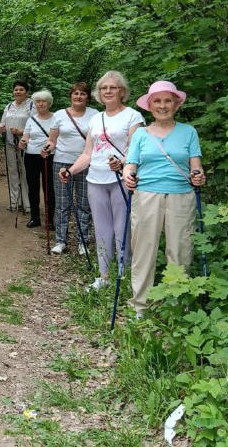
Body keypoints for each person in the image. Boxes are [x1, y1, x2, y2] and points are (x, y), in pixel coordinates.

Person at [123, 80, 205, 318]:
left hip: (182, 195)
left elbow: (196, 166)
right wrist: (128, 174)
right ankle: (141, 305)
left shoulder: (189, 132)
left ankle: (178, 304)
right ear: (149, 105)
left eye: (167, 100)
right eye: (157, 101)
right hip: (147, 194)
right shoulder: (141, 134)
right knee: (143, 250)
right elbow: (130, 164)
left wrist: (198, 176)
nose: (162, 105)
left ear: (176, 104)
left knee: (180, 250)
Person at [60, 71, 145, 291]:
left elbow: (137, 151)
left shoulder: (133, 116)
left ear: (122, 92)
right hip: (95, 178)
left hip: (120, 180)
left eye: (113, 87)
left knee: (121, 228)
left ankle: (123, 275)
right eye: (104, 88)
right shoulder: (96, 118)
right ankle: (104, 275)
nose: (108, 91)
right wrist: (71, 171)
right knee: (102, 228)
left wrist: (122, 162)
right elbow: (87, 153)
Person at [45, 82, 98, 254]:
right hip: (62, 163)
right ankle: (61, 240)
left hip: (87, 164)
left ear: (88, 97)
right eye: (75, 93)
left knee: (84, 203)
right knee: (62, 203)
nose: (78, 96)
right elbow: (52, 140)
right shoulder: (60, 115)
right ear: (70, 96)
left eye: (82, 93)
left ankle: (83, 241)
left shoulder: (95, 115)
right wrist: (47, 148)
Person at [19, 90, 56, 230]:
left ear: (49, 103)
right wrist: (22, 142)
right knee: (32, 187)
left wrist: (50, 148)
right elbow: (26, 136)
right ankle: (35, 217)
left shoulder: (55, 118)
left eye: (43, 101)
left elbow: (57, 138)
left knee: (49, 188)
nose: (40, 104)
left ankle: (50, 219)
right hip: (31, 155)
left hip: (49, 156)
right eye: (37, 101)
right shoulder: (31, 119)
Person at [0, 81, 33, 214]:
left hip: (25, 144)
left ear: (26, 91)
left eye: (21, 89)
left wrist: (21, 132)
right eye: (16, 90)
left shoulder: (31, 105)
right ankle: (15, 201)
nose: (18, 92)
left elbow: (35, 125)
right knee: (13, 172)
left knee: (25, 172)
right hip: (10, 143)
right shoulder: (8, 106)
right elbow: (2, 123)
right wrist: (1, 128)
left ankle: (28, 203)